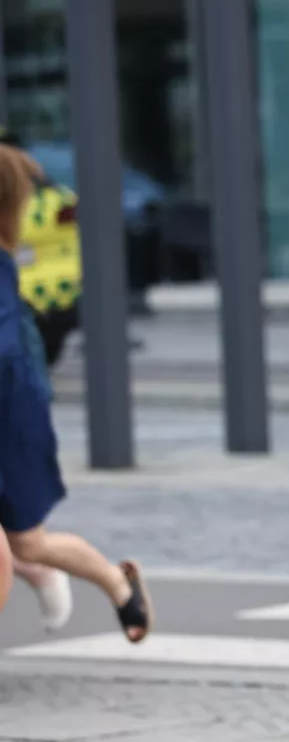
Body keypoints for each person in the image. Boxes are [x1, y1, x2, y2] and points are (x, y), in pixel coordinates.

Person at [0, 144, 152, 644]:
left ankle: (115, 582)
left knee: (27, 542)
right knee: (22, 547)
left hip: (13, 422)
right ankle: (93, 580)